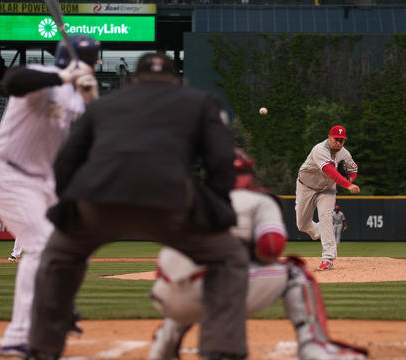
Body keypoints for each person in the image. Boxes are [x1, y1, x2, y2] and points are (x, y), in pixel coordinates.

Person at [27, 53, 248, 360]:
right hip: (169, 201)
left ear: (133, 79)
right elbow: (222, 161)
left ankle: (41, 350)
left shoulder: (103, 106)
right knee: (230, 257)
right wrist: (214, 207)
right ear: (176, 79)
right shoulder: (200, 102)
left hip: (96, 199)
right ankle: (220, 352)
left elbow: (65, 162)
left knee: (58, 257)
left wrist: (72, 208)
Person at [148, 148, 367, 360]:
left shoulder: (191, 197)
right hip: (222, 290)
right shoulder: (259, 201)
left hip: (167, 291)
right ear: (248, 175)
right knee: (294, 272)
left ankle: (162, 346)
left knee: (193, 280)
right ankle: (312, 346)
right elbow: (271, 247)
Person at [0, 34, 100, 358]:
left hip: (43, 183)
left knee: (77, 247)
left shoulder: (76, 98)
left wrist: (91, 100)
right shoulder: (42, 79)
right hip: (6, 173)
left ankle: (60, 308)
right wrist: (64, 75)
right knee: (43, 247)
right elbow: (14, 81)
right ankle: (18, 336)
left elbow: (95, 138)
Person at [296, 125, 359, 271]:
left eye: (341, 141)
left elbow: (353, 169)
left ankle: (328, 259)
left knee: (325, 218)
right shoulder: (320, 149)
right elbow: (328, 170)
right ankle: (322, 232)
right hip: (306, 186)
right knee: (302, 225)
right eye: (336, 139)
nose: (338, 143)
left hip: (327, 190)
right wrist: (347, 185)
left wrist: (350, 177)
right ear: (329, 137)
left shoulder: (344, 154)